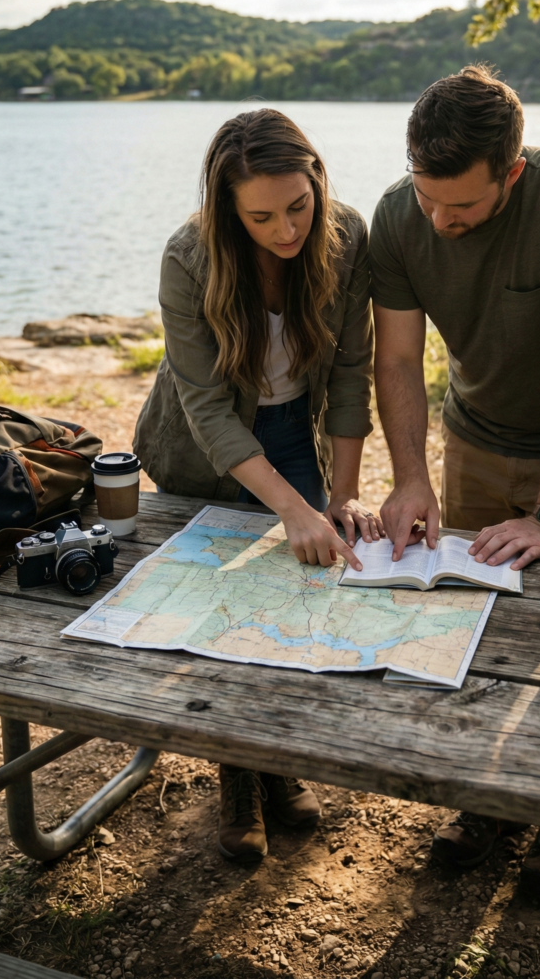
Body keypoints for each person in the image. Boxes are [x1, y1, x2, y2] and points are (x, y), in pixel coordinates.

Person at [370, 65, 540, 900]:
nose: (442, 222)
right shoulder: (397, 216)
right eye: (428, 199)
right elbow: (399, 360)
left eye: (466, 208)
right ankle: (490, 799)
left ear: (511, 174)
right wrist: (410, 478)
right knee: (475, 620)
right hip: (476, 435)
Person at [135, 107, 379, 863]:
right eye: (262, 216)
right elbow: (206, 406)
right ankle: (237, 778)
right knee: (223, 606)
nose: (286, 231)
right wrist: (289, 508)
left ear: (317, 181)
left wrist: (338, 494)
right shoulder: (189, 258)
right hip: (204, 446)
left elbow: (348, 369)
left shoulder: (347, 235)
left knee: (293, 596)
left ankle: (275, 763)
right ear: (227, 209)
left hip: (291, 430)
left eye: (299, 206)